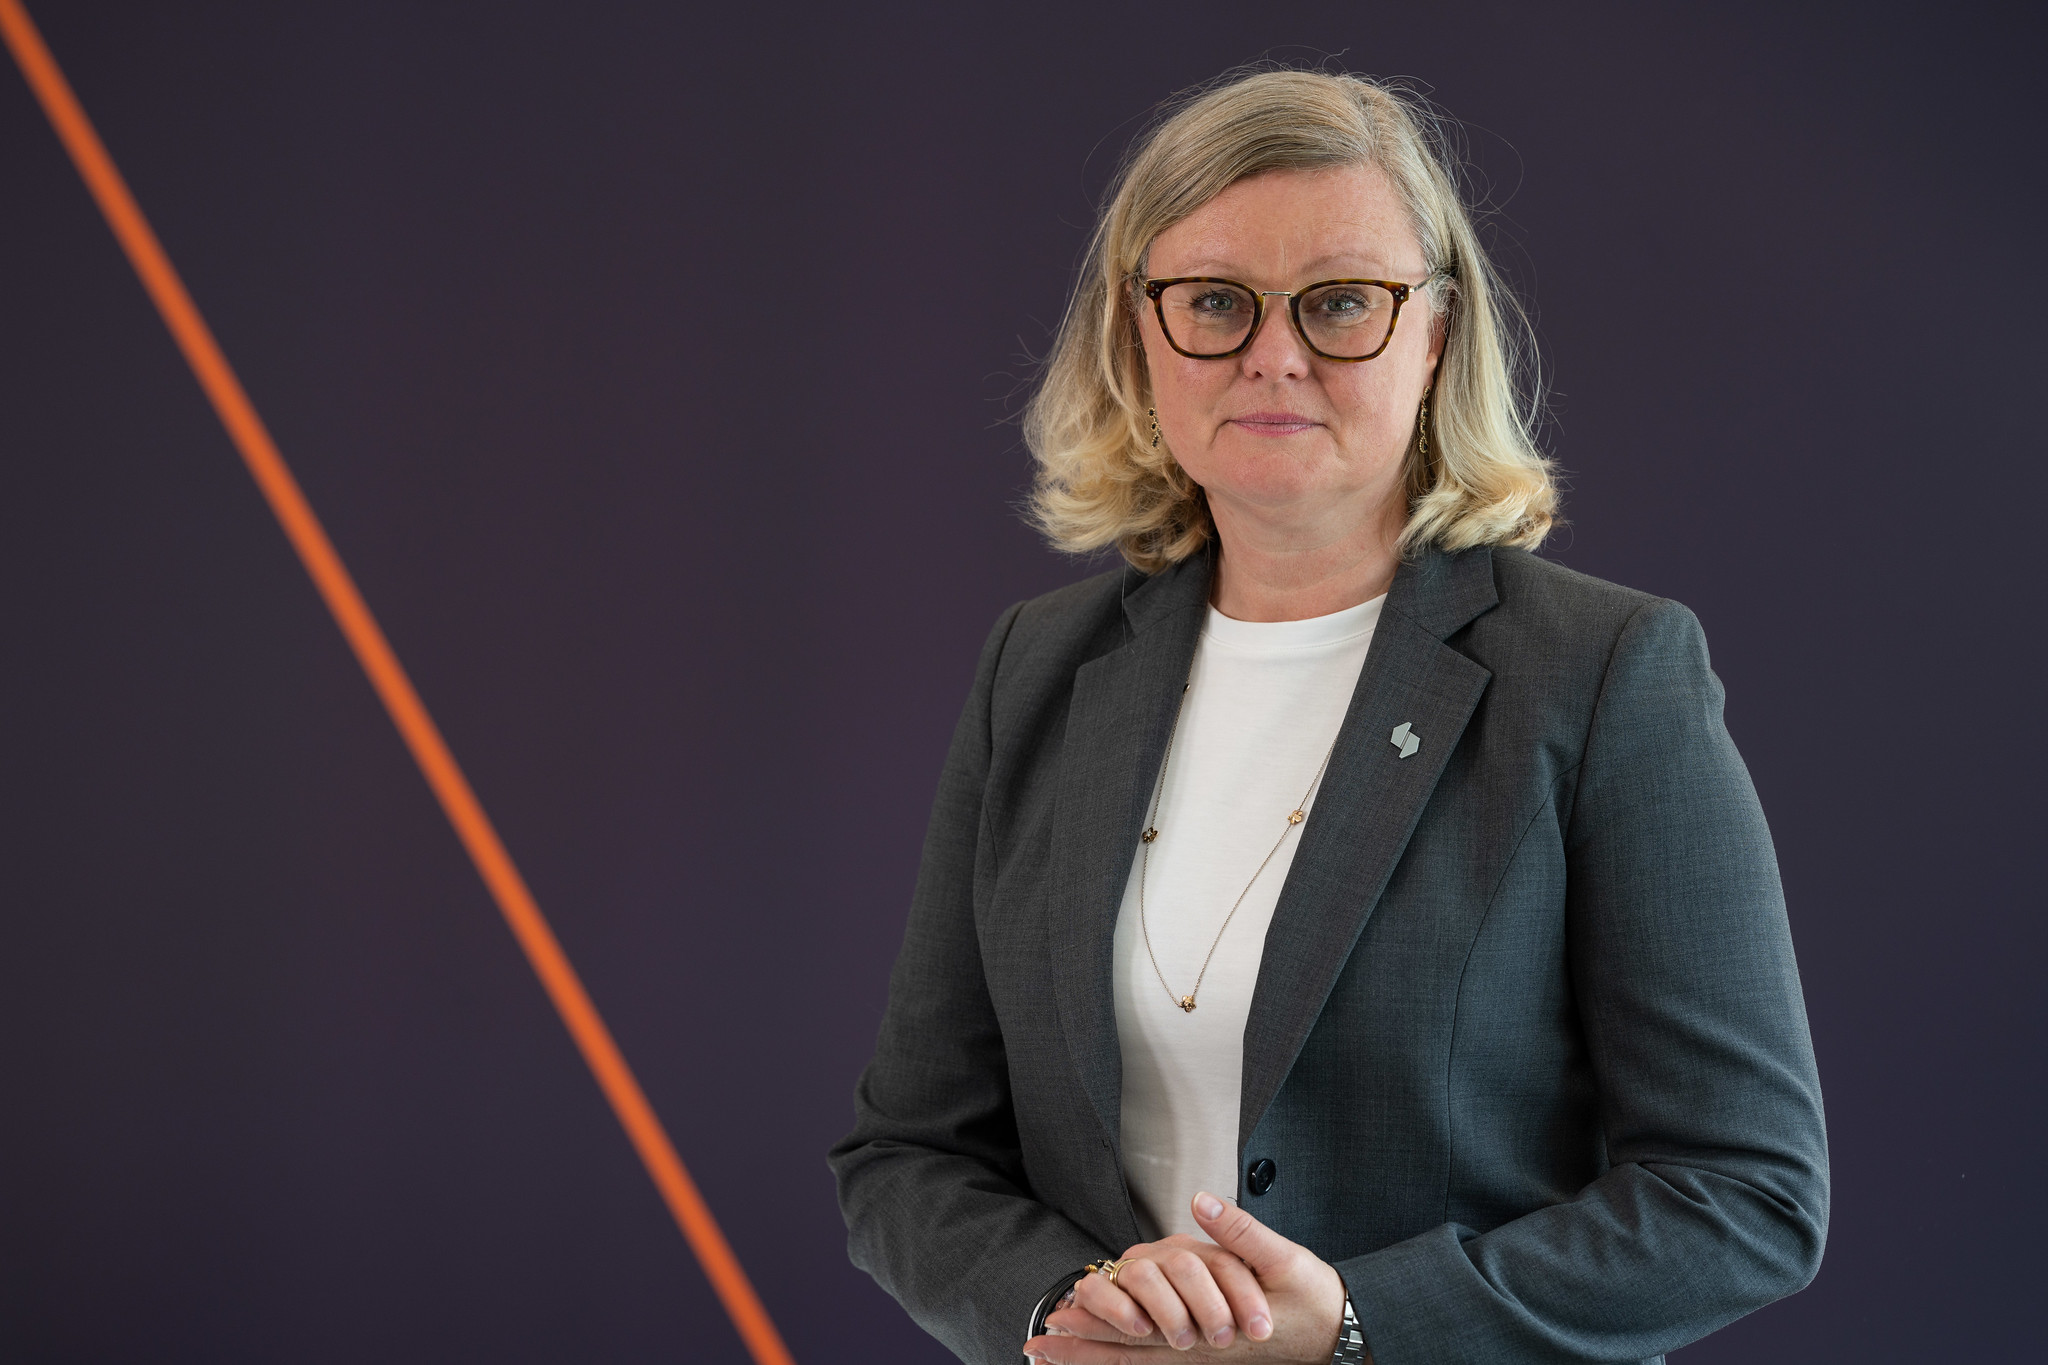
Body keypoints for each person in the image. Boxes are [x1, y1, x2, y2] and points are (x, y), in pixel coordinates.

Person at [828, 67, 1827, 1365]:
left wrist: (1356, 1327)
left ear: (1437, 333)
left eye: (1342, 300)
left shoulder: (1603, 672)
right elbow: (909, 1152)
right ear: (1138, 332)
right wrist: (1061, 1304)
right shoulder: (1038, 668)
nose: (1274, 353)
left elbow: (1744, 1196)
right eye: (1215, 301)